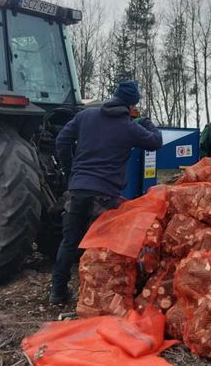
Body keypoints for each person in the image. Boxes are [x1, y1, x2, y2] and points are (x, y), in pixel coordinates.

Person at [50, 80, 162, 305]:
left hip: (78, 189)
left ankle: (57, 292)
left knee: (69, 242)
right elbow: (156, 141)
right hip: (104, 196)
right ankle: (99, 297)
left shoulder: (86, 116)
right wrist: (145, 121)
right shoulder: (129, 126)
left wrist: (70, 170)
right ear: (132, 105)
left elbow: (62, 139)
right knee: (102, 248)